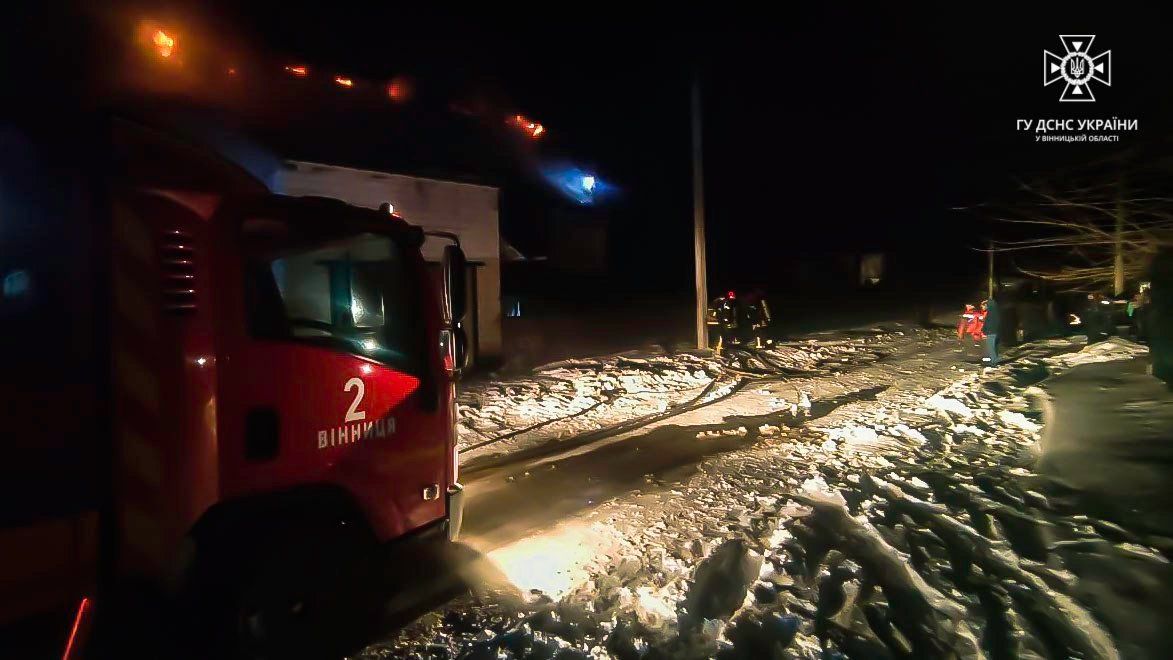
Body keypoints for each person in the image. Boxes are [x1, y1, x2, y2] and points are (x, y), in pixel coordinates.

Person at [983, 297, 1001, 366]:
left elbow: (988, 323)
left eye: (986, 305)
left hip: (991, 332)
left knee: (991, 347)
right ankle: (995, 359)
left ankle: (994, 361)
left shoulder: (990, 313)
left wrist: (984, 330)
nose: (986, 306)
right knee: (994, 347)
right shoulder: (997, 311)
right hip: (997, 332)